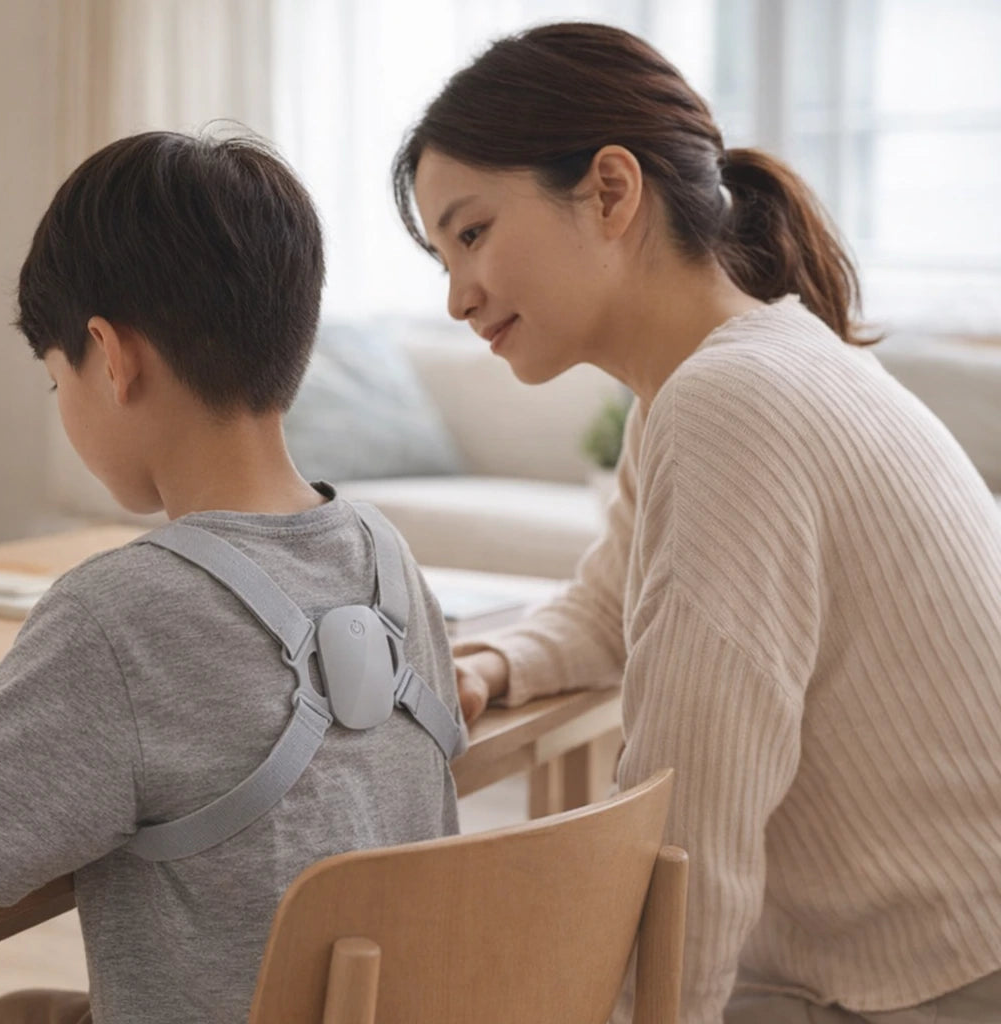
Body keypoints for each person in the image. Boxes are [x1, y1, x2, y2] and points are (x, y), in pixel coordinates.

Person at [392, 21, 1001, 1024]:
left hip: (927, 977)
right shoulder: (729, 368)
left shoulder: (732, 404)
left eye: (472, 233)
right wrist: (495, 666)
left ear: (612, 192)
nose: (457, 294)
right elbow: (610, 607)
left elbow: (689, 835)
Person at [0, 130, 464, 1024]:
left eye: (57, 382)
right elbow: (208, 718)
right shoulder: (385, 557)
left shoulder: (118, 612)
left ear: (111, 356)